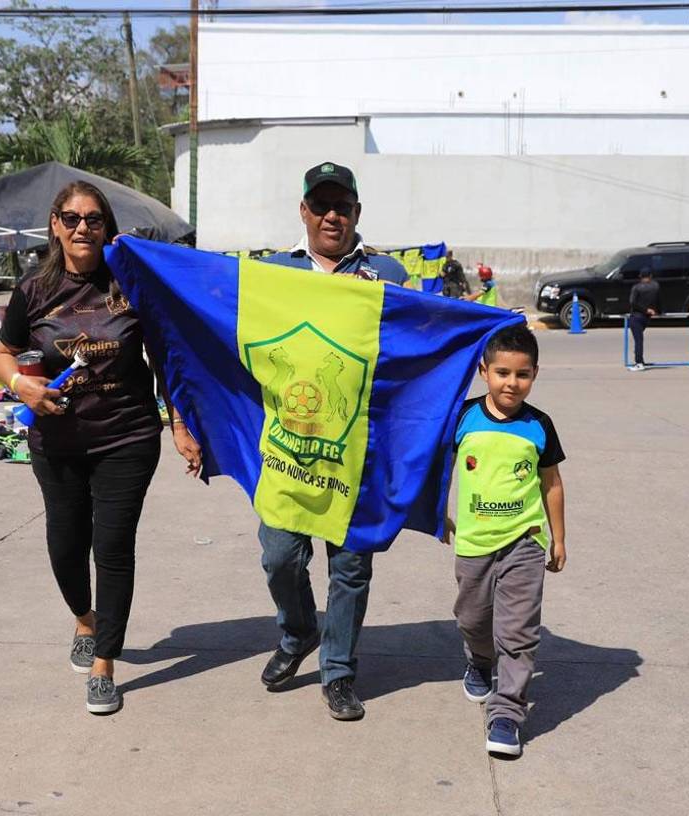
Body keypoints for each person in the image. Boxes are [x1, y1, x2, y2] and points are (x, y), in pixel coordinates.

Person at [0, 181, 201, 715]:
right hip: (56, 442)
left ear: (107, 227)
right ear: (55, 225)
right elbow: (3, 353)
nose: (82, 227)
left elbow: (165, 358)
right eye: (72, 217)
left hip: (126, 436)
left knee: (112, 549)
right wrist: (21, 385)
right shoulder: (33, 290)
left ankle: (104, 661)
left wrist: (179, 425)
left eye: (93, 218)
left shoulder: (130, 282)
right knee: (65, 546)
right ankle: (85, 621)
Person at [258, 161, 408, 721]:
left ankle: (338, 671)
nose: (331, 216)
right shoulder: (272, 272)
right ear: (303, 211)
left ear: (356, 213)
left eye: (341, 207)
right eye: (320, 206)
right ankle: (299, 631)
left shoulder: (387, 273)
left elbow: (420, 343)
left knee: (350, 567)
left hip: (359, 448)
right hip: (288, 446)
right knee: (280, 557)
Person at [445, 324, 566, 758]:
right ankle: (479, 661)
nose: (511, 383)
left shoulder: (539, 426)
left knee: (517, 632)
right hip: (474, 543)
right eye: (502, 373)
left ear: (535, 374)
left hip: (525, 541)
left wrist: (558, 538)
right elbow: (440, 468)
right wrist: (436, 512)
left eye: (522, 374)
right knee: (473, 620)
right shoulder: (463, 417)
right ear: (484, 372)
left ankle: (507, 714)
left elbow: (552, 483)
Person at [627, 268, 659, 371]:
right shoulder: (656, 286)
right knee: (639, 340)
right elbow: (659, 300)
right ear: (651, 276)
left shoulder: (636, 288)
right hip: (646, 318)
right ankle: (641, 360)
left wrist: (646, 310)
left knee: (638, 341)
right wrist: (657, 311)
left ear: (640, 276)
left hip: (636, 317)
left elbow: (632, 302)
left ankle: (639, 363)